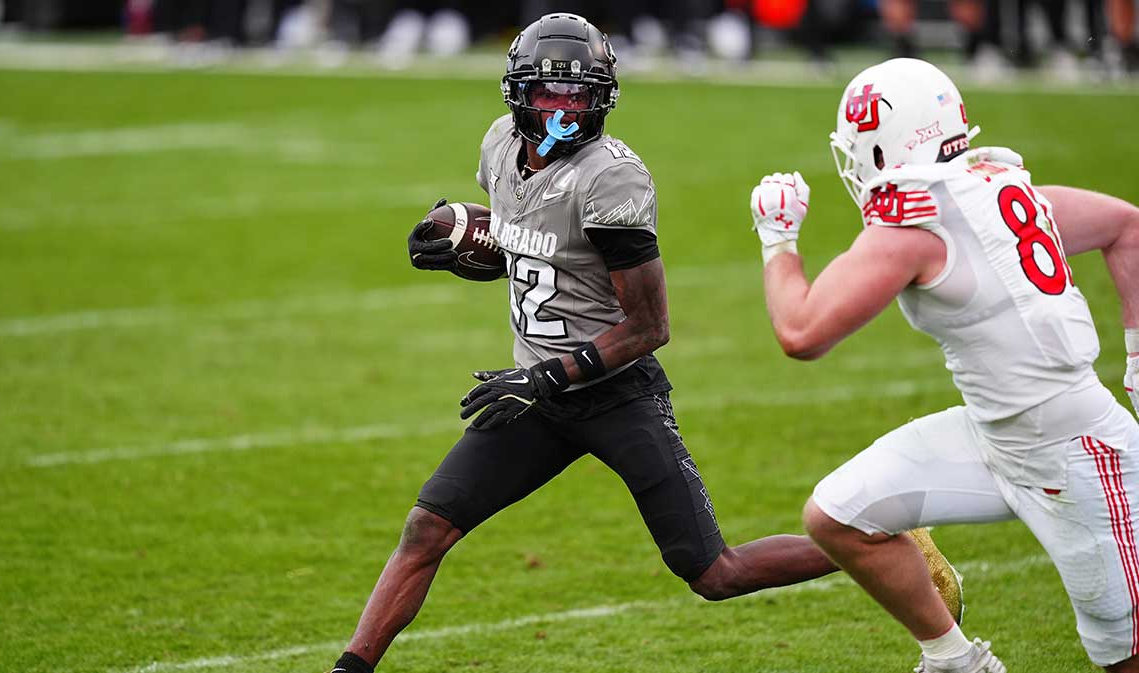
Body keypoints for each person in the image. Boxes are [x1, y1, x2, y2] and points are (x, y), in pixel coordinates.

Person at [329, 16, 963, 673]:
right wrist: (462, 234)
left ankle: (886, 544)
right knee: (426, 528)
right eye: (550, 94)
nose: (565, 110)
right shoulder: (498, 146)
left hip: (612, 393)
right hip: (539, 392)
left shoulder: (612, 179)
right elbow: (529, 250)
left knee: (715, 571)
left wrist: (547, 377)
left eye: (580, 95)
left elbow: (648, 325)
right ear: (518, 95)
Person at [749, 56, 1139, 672]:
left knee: (1124, 657)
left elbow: (801, 332)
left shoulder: (913, 223)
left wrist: (778, 239)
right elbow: (1126, 226)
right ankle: (956, 660)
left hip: (1078, 453)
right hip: (997, 434)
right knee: (839, 515)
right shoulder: (996, 183)